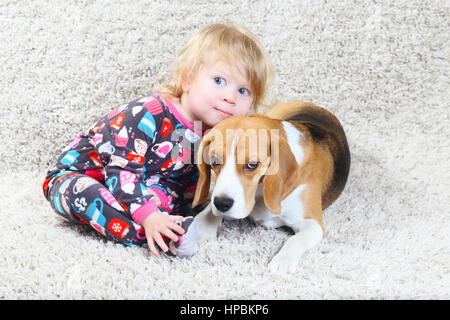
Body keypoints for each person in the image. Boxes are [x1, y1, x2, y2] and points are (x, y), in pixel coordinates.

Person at [42, 23, 274, 257]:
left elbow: (181, 180)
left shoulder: (214, 132)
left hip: (140, 187)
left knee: (167, 201)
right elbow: (122, 172)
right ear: (188, 80)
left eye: (243, 91)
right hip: (84, 177)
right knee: (87, 195)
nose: (230, 97)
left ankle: (168, 226)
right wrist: (150, 216)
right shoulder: (146, 114)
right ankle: (157, 237)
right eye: (219, 80)